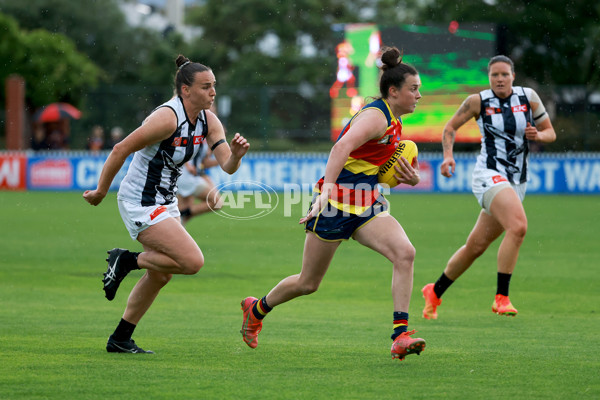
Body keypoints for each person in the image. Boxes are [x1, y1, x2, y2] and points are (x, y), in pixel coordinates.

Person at [241, 47, 426, 361]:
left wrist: (409, 179)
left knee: (405, 253)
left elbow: (374, 169)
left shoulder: (393, 120)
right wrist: (326, 190)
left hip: (366, 205)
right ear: (394, 92)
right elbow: (341, 147)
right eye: (414, 89)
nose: (419, 95)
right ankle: (256, 310)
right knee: (308, 282)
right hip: (335, 205)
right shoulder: (376, 117)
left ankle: (400, 335)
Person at [83, 54, 249, 353]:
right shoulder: (166, 118)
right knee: (192, 261)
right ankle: (127, 260)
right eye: (205, 87)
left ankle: (120, 339)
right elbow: (121, 149)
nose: (212, 92)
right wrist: (100, 191)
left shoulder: (209, 120)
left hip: (164, 200)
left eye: (214, 86)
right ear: (186, 90)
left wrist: (236, 154)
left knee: (161, 274)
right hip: (140, 200)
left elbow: (227, 166)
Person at [421, 55, 556, 320]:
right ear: (489, 77)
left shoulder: (528, 97)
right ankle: (501, 297)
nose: (499, 79)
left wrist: (539, 136)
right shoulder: (478, 101)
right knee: (518, 227)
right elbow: (450, 127)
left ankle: (434, 291)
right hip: (489, 174)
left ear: (513, 76)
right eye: (494, 75)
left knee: (476, 246)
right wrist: (448, 156)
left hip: (517, 181)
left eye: (504, 74)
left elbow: (550, 131)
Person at [177, 143, 221, 226]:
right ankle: (181, 214)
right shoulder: (193, 135)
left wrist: (224, 160)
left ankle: (179, 216)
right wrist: (187, 165)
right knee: (216, 202)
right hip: (187, 177)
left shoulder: (203, 141)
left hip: (188, 177)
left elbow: (204, 163)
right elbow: (180, 150)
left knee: (183, 218)